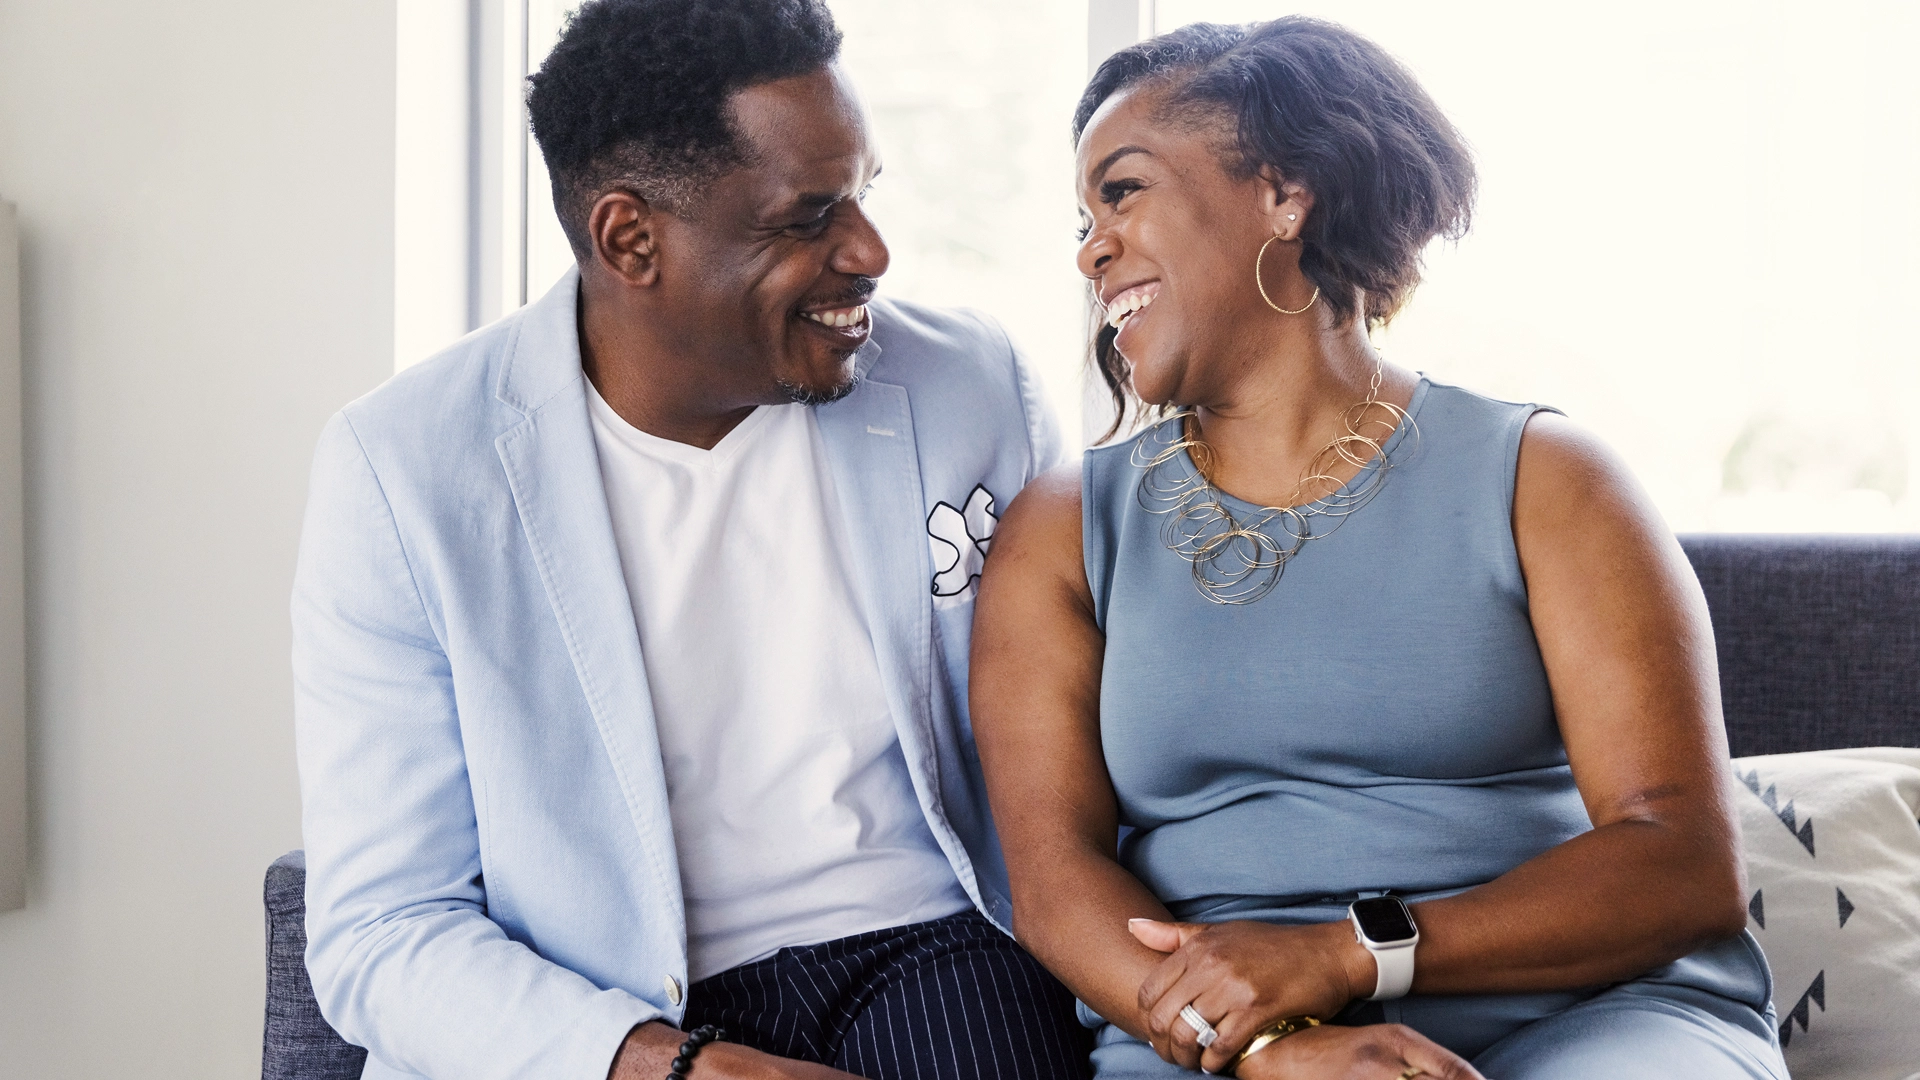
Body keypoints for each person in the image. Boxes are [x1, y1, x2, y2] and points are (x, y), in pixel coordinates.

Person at [970, 17, 1789, 1080]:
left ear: (1285, 192)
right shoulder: (1062, 532)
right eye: (1081, 219)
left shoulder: (1547, 479)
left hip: (1597, 1016)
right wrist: (1270, 1041)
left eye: (1122, 193)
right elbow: (1053, 881)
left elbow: (1679, 861)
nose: (1090, 248)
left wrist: (1345, 956)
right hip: (1217, 1047)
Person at [291, 2, 1091, 1078]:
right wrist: (662, 1065)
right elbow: (382, 927)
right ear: (633, 240)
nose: (871, 251)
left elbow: (1085, 737)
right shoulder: (405, 470)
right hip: (601, 1001)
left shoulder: (968, 383)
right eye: (809, 218)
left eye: (863, 194)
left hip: (933, 954)